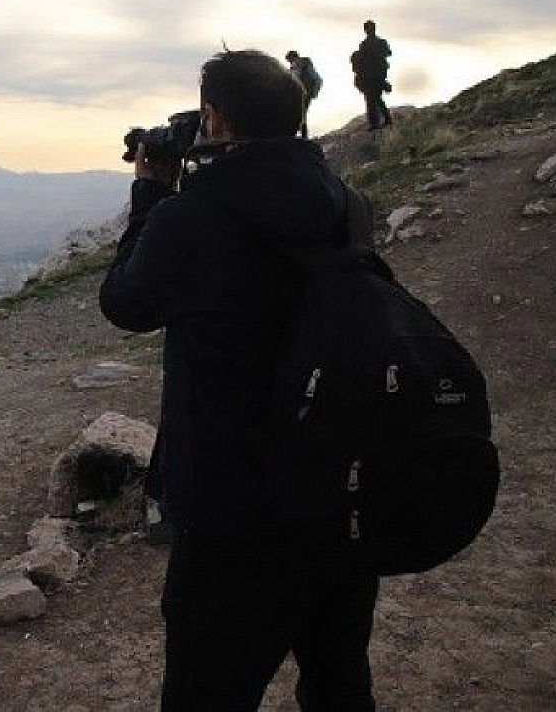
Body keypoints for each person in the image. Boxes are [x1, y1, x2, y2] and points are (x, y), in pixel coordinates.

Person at [100, 49, 381, 712]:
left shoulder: (190, 219)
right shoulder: (346, 204)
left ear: (214, 120)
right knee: (340, 684)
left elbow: (124, 305)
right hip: (338, 497)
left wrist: (149, 195)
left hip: (232, 513)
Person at [350, 21, 392, 131]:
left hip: (370, 77)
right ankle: (380, 122)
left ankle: (378, 123)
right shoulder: (381, 42)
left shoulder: (364, 44)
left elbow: (362, 59)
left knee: (372, 100)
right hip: (378, 76)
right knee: (375, 99)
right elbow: (388, 53)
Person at [283, 50, 322, 137]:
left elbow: (317, 79)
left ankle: (303, 137)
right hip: (296, 96)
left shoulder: (306, 66)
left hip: (304, 95)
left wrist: (312, 93)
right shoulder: (293, 69)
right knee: (296, 116)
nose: (290, 63)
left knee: (301, 117)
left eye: (290, 60)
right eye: (289, 61)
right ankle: (296, 136)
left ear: (295, 58)